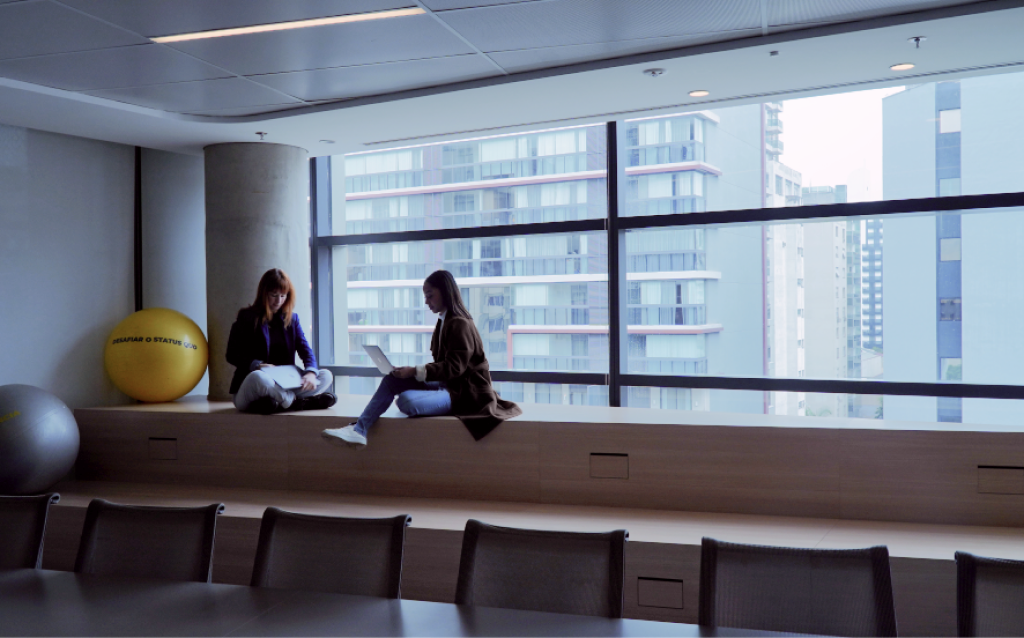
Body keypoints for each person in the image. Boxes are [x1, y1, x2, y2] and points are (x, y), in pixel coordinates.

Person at [323, 269, 521, 448]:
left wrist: (416, 372)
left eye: (429, 295)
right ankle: (358, 430)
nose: (426, 301)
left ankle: (359, 428)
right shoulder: (444, 321)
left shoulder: (460, 323)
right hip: (448, 384)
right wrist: (410, 372)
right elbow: (442, 365)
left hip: (464, 393)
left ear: (445, 292)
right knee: (393, 380)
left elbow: (454, 368)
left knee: (406, 402)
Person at [227, 268, 336, 414]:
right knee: (259, 377)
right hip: (253, 386)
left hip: (284, 384)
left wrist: (310, 373)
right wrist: (258, 365)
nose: (278, 301)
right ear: (264, 293)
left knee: (325, 375)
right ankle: (299, 403)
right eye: (274, 295)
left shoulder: (292, 319)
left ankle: (279, 402)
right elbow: (232, 354)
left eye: (283, 296)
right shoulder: (247, 317)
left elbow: (306, 351)